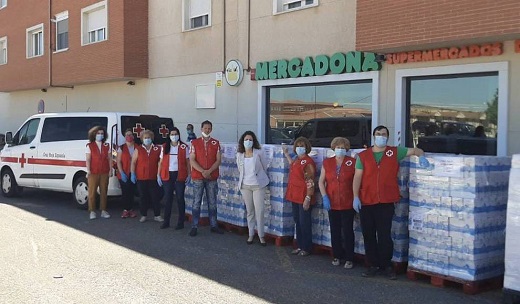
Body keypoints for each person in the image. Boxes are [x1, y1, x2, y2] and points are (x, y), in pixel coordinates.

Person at [353, 125, 429, 280]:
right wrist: (355, 196)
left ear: (387, 137)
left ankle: (386, 266)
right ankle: (372, 265)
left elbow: (415, 150)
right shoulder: (363, 156)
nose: (381, 136)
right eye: (378, 134)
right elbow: (357, 177)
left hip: (386, 201)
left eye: (384, 134)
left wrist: (421, 156)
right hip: (367, 200)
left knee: (384, 235)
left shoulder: (394, 152)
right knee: (368, 234)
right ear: (373, 136)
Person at [318, 137, 356, 269]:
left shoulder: (352, 162)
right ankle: (336, 255)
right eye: (338, 147)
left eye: (343, 147)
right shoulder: (327, 163)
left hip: (347, 202)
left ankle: (349, 258)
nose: (340, 150)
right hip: (332, 201)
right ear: (333, 148)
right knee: (335, 230)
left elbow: (357, 181)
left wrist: (356, 198)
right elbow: (321, 181)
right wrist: (324, 196)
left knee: (347, 231)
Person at [188, 120, 224, 236]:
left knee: (212, 202)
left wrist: (209, 171)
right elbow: (192, 160)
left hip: (212, 176)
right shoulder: (194, 143)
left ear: (211, 130)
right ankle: (194, 226)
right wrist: (203, 171)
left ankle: (214, 225)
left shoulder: (216, 143)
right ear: (201, 129)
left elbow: (218, 160)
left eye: (209, 128)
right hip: (198, 176)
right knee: (196, 202)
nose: (207, 130)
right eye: (205, 128)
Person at [283, 137, 316, 257]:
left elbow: (310, 181)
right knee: (298, 221)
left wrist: (308, 197)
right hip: (294, 196)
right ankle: (300, 245)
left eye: (302, 146)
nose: (299, 148)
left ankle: (306, 247)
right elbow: (292, 166)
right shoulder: (297, 160)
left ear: (306, 148)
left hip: (303, 196)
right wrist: (287, 154)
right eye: (297, 146)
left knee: (304, 222)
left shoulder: (308, 162)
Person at [236, 131, 270, 246]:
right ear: (242, 141)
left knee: (259, 210)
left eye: (250, 140)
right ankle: (251, 234)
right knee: (250, 211)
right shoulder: (239, 155)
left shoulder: (259, 153)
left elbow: (264, 167)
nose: (248, 142)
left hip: (258, 185)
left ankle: (261, 235)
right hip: (245, 185)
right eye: (246, 140)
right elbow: (239, 169)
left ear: (254, 141)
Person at [158, 127, 191, 230]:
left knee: (180, 198)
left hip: (179, 174)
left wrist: (189, 174)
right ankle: (166, 222)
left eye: (175, 134)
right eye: (172, 134)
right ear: (169, 136)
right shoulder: (164, 147)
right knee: (168, 199)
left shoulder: (184, 147)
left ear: (179, 135)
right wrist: (158, 175)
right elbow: (161, 162)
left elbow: (187, 162)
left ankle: (181, 222)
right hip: (167, 175)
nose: (174, 136)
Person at [130, 130, 164, 223]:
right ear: (142, 139)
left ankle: (157, 215)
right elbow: (133, 162)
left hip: (154, 177)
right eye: (145, 138)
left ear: (152, 138)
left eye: (149, 137)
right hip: (141, 177)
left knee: (155, 197)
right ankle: (143, 215)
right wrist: (132, 173)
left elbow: (161, 162)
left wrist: (160, 174)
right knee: (143, 197)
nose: (147, 139)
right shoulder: (138, 149)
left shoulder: (157, 149)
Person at [85, 126, 112, 220]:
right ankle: (92, 211)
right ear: (94, 134)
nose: (100, 135)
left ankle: (103, 210)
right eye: (98, 133)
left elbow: (109, 158)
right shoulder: (90, 146)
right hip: (93, 172)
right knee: (92, 192)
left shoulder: (106, 145)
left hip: (104, 171)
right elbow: (88, 159)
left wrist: (110, 169)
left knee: (104, 191)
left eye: (101, 133)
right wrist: (88, 170)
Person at [117, 129, 138, 218]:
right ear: (125, 137)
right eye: (127, 135)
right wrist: (121, 172)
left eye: (130, 134)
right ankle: (126, 210)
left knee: (132, 192)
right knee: (125, 192)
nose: (129, 136)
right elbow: (118, 161)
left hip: (134, 173)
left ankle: (131, 210)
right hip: (124, 173)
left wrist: (134, 173)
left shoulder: (137, 147)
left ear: (133, 136)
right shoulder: (121, 147)